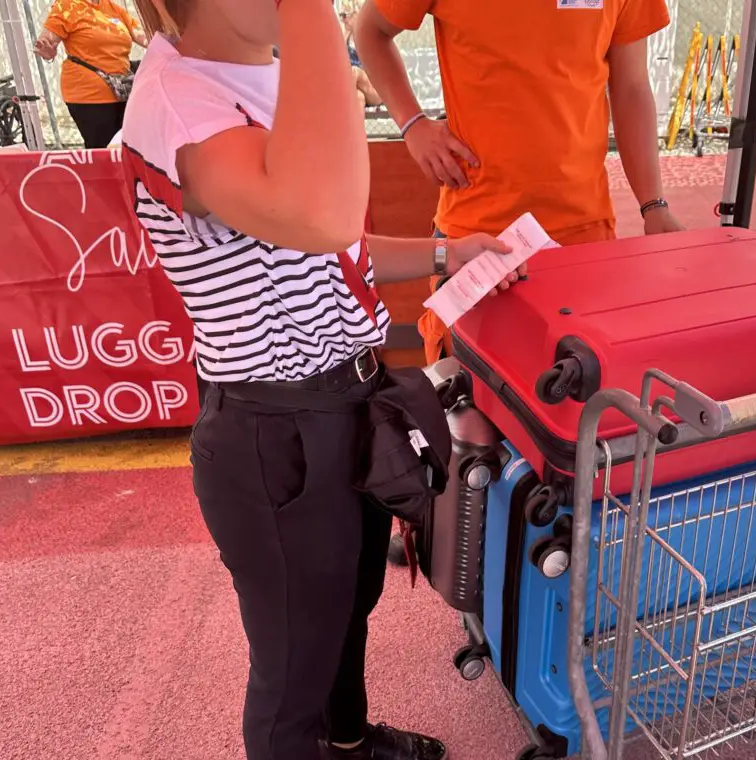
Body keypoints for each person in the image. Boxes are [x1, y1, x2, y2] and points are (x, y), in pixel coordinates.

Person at [122, 1, 523, 758]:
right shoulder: (183, 103)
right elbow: (320, 214)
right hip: (277, 432)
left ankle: (348, 742)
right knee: (292, 667)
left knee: (347, 606)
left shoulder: (259, 71)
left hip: (344, 406)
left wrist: (444, 255)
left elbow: (327, 242)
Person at [355, 0, 685, 365]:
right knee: (474, 409)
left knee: (572, 403)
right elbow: (370, 30)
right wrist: (412, 124)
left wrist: (653, 205)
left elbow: (632, 86)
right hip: (476, 239)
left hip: (583, 237)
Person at [34, 0, 146, 148]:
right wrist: (46, 49)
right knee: (103, 150)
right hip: (89, 93)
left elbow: (142, 35)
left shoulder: (113, 8)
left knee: (128, 148)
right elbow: (47, 40)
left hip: (122, 89)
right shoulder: (67, 6)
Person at [339, 6, 382, 112]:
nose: (343, 20)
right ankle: (355, 129)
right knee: (359, 98)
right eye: (341, 16)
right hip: (354, 89)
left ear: (357, 15)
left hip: (375, 91)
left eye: (345, 15)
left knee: (354, 71)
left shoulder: (369, 38)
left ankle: (337, 106)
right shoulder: (345, 39)